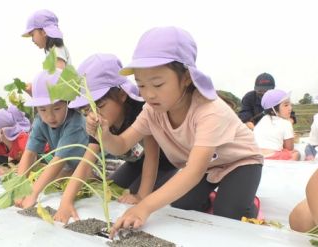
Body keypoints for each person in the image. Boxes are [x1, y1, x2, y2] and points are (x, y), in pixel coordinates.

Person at [84, 27, 264, 237]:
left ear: (186, 77)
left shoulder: (209, 110)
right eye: (141, 85)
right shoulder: (152, 110)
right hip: (208, 168)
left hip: (240, 163)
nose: (149, 94)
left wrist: (144, 206)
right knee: (180, 206)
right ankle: (213, 196)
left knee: (227, 215)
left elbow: (193, 171)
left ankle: (247, 203)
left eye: (158, 84)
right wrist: (104, 135)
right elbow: (122, 144)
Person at [53, 53, 177, 224]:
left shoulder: (141, 111)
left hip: (163, 165)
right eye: (87, 109)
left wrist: (141, 196)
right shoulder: (98, 121)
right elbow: (87, 161)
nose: (93, 114)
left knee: (135, 196)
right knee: (112, 189)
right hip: (134, 163)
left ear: (122, 95)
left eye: (100, 105)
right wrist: (66, 202)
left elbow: (152, 156)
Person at [15, 70, 88, 209]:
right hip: (69, 165)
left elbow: (58, 160)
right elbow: (30, 153)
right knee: (53, 178)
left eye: (56, 108)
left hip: (92, 165)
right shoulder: (40, 122)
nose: (50, 117)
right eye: (42, 110)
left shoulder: (76, 123)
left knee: (80, 178)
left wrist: (33, 194)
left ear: (67, 102)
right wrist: (20, 188)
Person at [253, 89, 300, 160]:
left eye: (290, 104)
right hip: (273, 156)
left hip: (257, 155)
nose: (290, 108)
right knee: (296, 153)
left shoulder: (262, 120)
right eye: (286, 105)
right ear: (273, 110)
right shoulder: (286, 123)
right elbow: (289, 148)